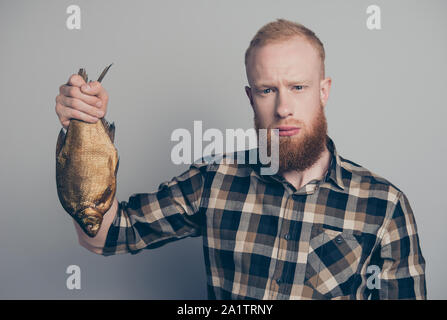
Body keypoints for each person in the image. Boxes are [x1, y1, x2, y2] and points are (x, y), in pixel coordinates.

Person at [54, 19, 426, 300]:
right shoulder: (216, 180)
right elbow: (107, 236)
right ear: (251, 98)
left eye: (298, 87)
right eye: (268, 90)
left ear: (323, 91)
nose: (283, 107)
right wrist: (83, 127)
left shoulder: (384, 206)